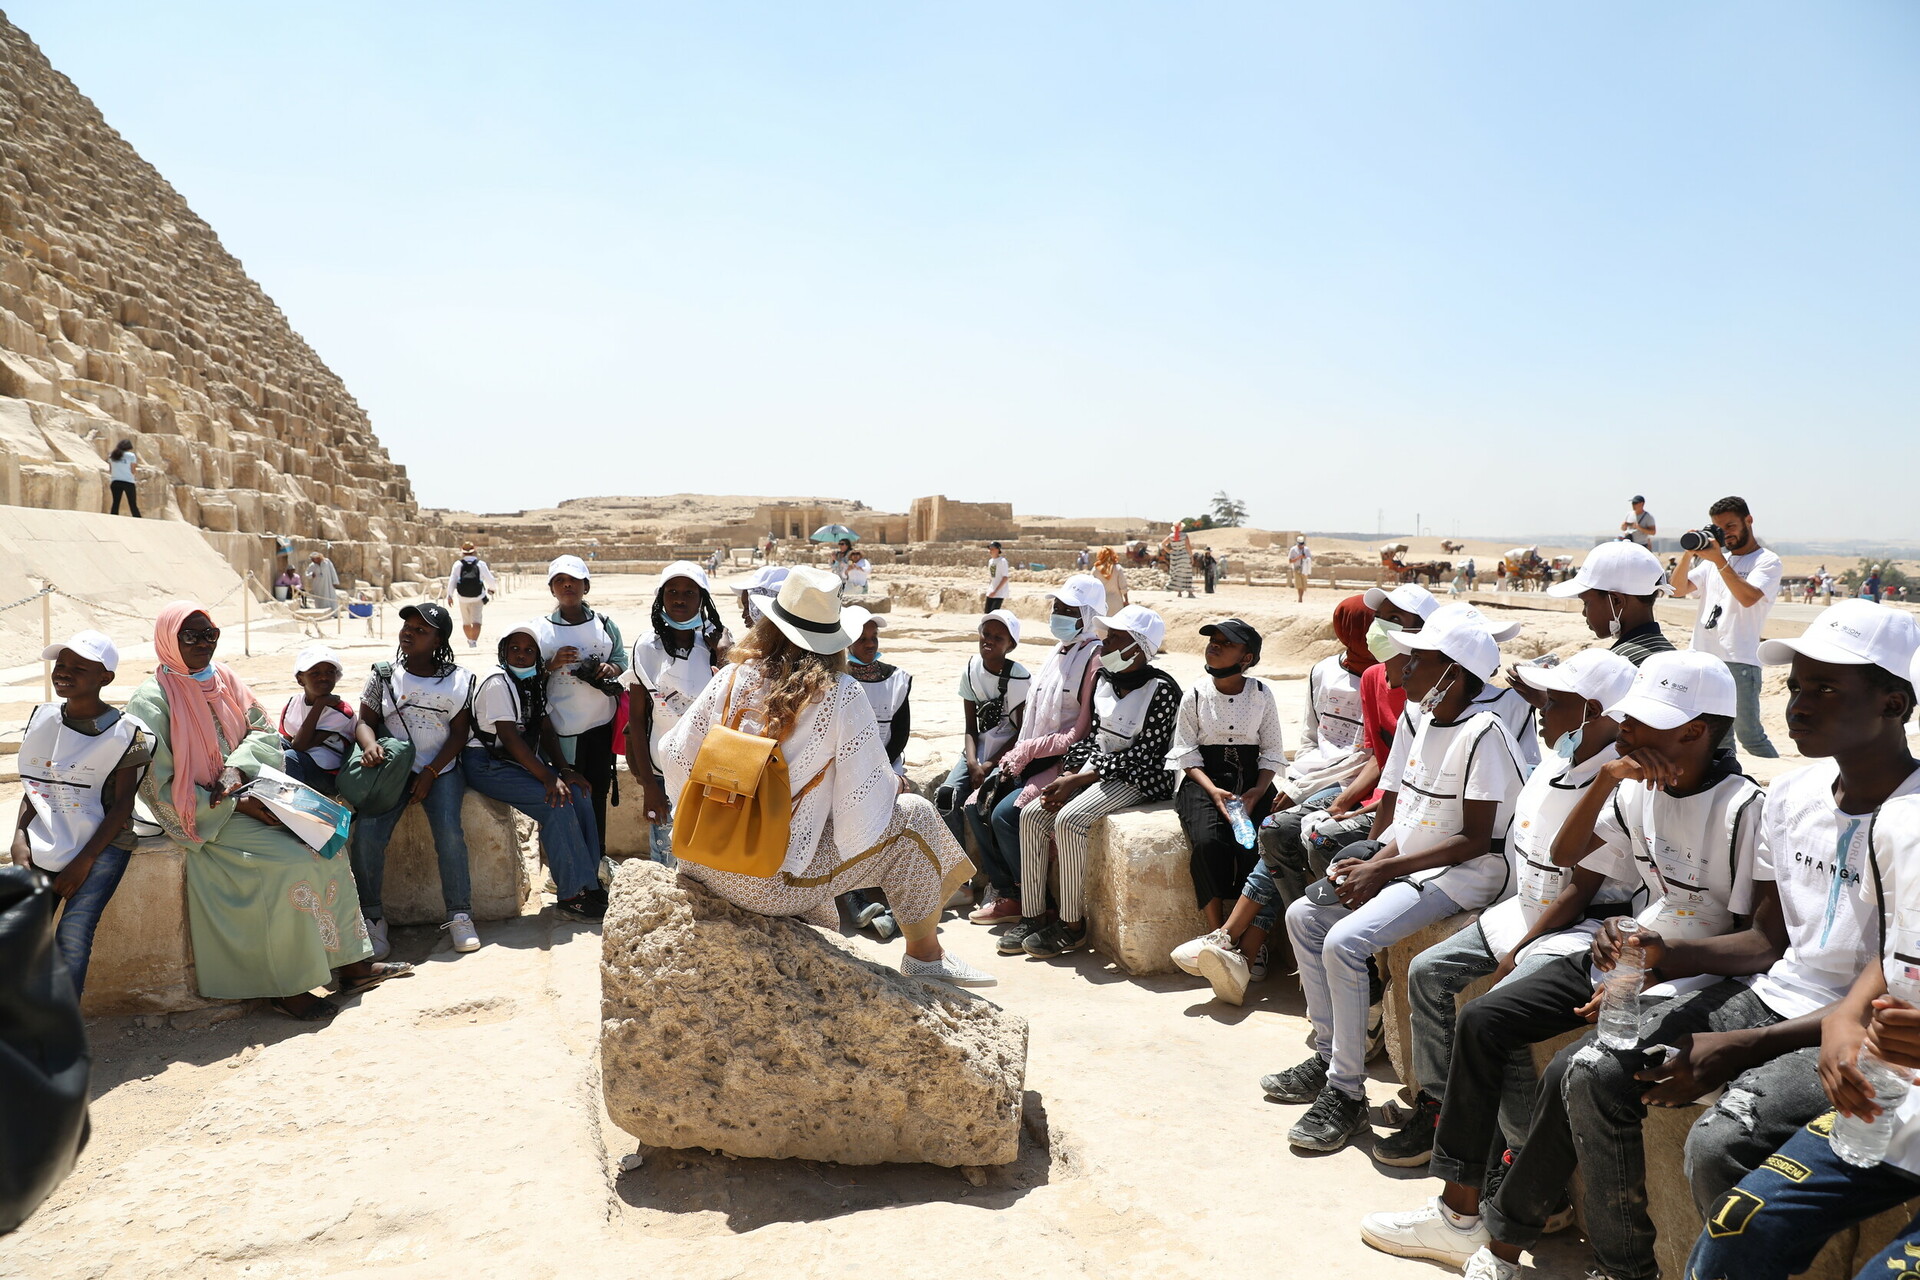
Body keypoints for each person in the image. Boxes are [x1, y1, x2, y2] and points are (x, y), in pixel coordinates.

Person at [1357, 649, 1759, 1275]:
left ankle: (1522, 1228)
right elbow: (1570, 853)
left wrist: (1660, 964)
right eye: (1626, 718)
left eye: (1641, 723)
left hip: (1695, 971)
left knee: (1574, 1071)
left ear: (1695, 731)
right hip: (1629, 953)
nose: (1626, 731)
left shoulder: (1743, 807)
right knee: (1483, 1019)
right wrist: (1607, 780)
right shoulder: (1636, 791)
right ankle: (1458, 1210)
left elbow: (1760, 941)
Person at [1677, 611, 1920, 1280]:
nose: (1799, 706)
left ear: (1894, 703)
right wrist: (1849, 1017)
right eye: (1796, 688)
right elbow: (1896, 955)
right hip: (1876, 1079)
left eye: (1826, 690)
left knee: (1726, 1138)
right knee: (1738, 1227)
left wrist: (1785, 1035)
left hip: (1872, 1071)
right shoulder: (1893, 823)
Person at [1268, 604, 1528, 1155]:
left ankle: (1346, 1091)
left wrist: (1383, 869)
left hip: (1466, 874)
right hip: (1415, 862)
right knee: (1304, 916)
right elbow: (1411, 819)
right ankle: (1328, 1054)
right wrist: (1373, 858)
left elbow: (1475, 840)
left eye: (1418, 660)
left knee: (1344, 941)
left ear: (1453, 672)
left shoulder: (1484, 732)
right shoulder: (1423, 719)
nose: (1403, 669)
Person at [1367, 649, 1637, 1168]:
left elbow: (1581, 889)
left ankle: (1518, 1157)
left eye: (1553, 702)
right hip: (1524, 908)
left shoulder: (1616, 783)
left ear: (1593, 711)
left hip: (1573, 926)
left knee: (1499, 1014)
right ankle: (1439, 1109)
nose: (1541, 710)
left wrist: (1522, 948)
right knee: (1426, 972)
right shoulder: (1560, 756)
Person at [660, 567, 992, 987]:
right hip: (761, 879)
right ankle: (926, 955)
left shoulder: (731, 676)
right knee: (915, 816)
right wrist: (893, 785)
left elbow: (673, 754)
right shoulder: (840, 693)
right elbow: (862, 808)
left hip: (699, 857)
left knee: (823, 908)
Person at [128, 603, 407, 1020]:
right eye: (191, 636)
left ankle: (352, 965)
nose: (204, 643)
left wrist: (238, 769)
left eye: (210, 634)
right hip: (205, 815)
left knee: (326, 843)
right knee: (290, 862)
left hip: (256, 793)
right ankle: (286, 986)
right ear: (168, 640)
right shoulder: (151, 699)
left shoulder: (223, 679)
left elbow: (262, 732)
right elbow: (155, 782)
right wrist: (234, 801)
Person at [1008, 604, 1181, 961]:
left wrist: (1081, 779)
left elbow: (1145, 755)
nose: (1105, 643)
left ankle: (1072, 926)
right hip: (1098, 767)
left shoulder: (1162, 690)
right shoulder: (1105, 679)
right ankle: (1033, 915)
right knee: (1032, 816)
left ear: (1138, 647)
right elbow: (1091, 739)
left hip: (1141, 778)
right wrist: (1068, 774)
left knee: (1070, 820)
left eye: (1115, 637)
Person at [11, 631, 151, 1002]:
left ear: (105, 678)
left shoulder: (128, 733)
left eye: (78, 668)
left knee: (73, 932)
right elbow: (36, 783)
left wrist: (83, 862)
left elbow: (122, 805)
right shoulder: (43, 719)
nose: (64, 672)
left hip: (102, 843)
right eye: (61, 665)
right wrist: (20, 837)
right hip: (49, 834)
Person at [965, 576, 1106, 933]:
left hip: (1059, 761)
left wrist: (1029, 750)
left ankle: (1037, 903)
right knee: (973, 805)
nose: (1058, 615)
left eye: (1068, 610)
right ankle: (1009, 892)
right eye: (1056, 607)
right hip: (1029, 757)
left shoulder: (1094, 657)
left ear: (1088, 615)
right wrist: (1018, 755)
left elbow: (1080, 732)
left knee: (1005, 816)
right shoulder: (1058, 651)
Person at [348, 602, 482, 959]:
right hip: (392, 772)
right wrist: (370, 744)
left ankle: (460, 915)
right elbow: (364, 721)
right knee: (367, 836)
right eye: (407, 626)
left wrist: (431, 772)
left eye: (420, 630)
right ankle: (373, 919)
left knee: (449, 835)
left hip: (441, 770)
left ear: (438, 640)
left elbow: (459, 734)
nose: (409, 633)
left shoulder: (459, 679)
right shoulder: (383, 673)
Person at [1165, 619, 1286, 1003]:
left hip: (1252, 780)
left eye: (1225, 643)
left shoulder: (1262, 694)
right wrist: (1214, 792)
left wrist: (1258, 791)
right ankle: (1218, 939)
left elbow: (1272, 751)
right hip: (1204, 780)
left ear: (1246, 658)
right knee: (1208, 843)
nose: (1213, 647)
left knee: (1262, 847)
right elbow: (1186, 752)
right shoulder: (1195, 694)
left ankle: (1253, 941)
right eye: (1212, 641)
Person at [461, 623, 605, 920]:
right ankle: (571, 895)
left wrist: (565, 771)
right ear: (503, 651)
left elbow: (546, 729)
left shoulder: (533, 681)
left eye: (529, 650)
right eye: (514, 648)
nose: (521, 655)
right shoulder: (498, 682)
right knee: (556, 802)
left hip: (514, 761)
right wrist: (548, 778)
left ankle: (589, 883)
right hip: (486, 763)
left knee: (579, 793)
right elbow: (509, 737)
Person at [624, 561, 731, 866]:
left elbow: (729, 707)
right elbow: (637, 721)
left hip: (708, 776)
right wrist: (649, 786)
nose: (680, 599)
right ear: (661, 597)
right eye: (672, 591)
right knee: (667, 862)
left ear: (703, 599)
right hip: (661, 774)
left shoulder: (715, 643)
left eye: (689, 592)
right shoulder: (647, 646)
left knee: (708, 863)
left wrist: (721, 653)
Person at [1670, 495, 1784, 758]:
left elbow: (1748, 597)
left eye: (1731, 526)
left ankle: (1776, 779)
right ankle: (1728, 778)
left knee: (1750, 735)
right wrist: (1689, 554)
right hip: (1704, 658)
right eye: (1719, 528)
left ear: (1748, 520)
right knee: (1717, 736)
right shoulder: (1713, 563)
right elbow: (1677, 590)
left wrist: (1720, 561)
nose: (1726, 534)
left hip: (1740, 660)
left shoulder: (1767, 561)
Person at [535, 555, 626, 854]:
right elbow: (525, 674)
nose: (567, 585)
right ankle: (563, 858)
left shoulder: (605, 625)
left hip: (600, 723)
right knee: (563, 793)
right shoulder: (540, 629)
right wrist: (550, 664)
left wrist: (610, 669)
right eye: (560, 580)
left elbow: (621, 660)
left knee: (598, 790)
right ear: (552, 588)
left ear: (586, 586)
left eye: (574, 580)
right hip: (560, 728)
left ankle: (597, 855)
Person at [946, 610, 1030, 916]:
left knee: (984, 805)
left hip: (1006, 754)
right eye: (986, 634)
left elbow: (1020, 732)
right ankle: (959, 882)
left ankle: (1000, 884)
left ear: (1010, 645)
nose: (989, 641)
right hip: (976, 753)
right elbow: (971, 727)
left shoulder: (1019, 678)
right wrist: (972, 762)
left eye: (998, 637)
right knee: (946, 796)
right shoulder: (971, 670)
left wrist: (991, 764)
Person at [1542, 538, 1676, 666]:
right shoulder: (1671, 655)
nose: (1584, 613)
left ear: (1616, 601)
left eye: (1586, 603)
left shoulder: (1617, 666)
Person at [277, 646, 355, 796]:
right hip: (302, 761)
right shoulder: (293, 703)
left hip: (330, 775)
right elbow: (286, 739)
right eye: (315, 673)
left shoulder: (341, 710)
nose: (323, 677)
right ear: (300, 679)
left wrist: (320, 704)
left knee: (290, 757)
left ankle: (289, 803)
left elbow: (300, 745)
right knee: (270, 744)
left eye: (330, 672)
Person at [447, 541, 498, 649]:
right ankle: (473, 642)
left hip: (463, 598)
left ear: (462, 552)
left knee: (466, 622)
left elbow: (452, 580)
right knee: (476, 621)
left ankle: (469, 640)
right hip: (478, 597)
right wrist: (492, 589)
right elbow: (490, 579)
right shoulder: (480, 564)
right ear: (474, 551)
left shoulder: (458, 564)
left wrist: (450, 595)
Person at [106, 438, 140, 517]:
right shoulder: (131, 456)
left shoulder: (112, 455)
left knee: (115, 503)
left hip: (115, 481)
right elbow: (133, 470)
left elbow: (111, 470)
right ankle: (139, 520)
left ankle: (113, 520)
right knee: (132, 504)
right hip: (128, 482)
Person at [1092, 546, 1129, 615]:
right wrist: (1126, 600)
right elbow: (1123, 587)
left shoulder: (1095, 569)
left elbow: (1092, 588)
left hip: (1100, 603)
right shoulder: (1117, 568)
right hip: (1116, 603)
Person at [1165, 525, 1196, 599]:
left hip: (1175, 557)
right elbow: (1188, 546)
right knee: (1187, 573)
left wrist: (1169, 551)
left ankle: (1179, 592)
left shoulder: (1171, 536)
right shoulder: (1184, 535)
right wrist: (1191, 557)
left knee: (1177, 574)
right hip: (1184, 556)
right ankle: (1190, 592)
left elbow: (1163, 544)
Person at [985, 541, 1011, 612]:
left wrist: (996, 591)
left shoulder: (1002, 561)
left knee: (994, 614)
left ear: (997, 550)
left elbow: (1005, 578)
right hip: (991, 591)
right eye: (989, 549)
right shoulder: (990, 561)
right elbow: (991, 577)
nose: (990, 550)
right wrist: (990, 589)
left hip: (999, 593)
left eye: (992, 549)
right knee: (987, 613)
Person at [1289, 536, 1312, 603]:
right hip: (1297, 569)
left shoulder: (1306, 549)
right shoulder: (1293, 550)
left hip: (1304, 569)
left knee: (1303, 584)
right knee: (1299, 584)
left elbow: (1310, 559)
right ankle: (1300, 598)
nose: (1301, 546)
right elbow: (1290, 561)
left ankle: (1301, 597)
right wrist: (1298, 558)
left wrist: (1305, 558)